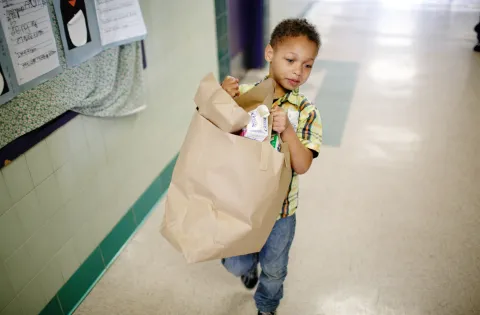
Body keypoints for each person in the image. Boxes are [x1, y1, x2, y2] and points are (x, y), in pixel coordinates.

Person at [220, 18, 322, 315]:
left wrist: (288, 132)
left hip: (281, 213)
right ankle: (246, 267)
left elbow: (302, 165)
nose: (298, 71)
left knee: (275, 270)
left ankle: (266, 306)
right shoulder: (246, 96)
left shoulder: (306, 111)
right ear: (269, 54)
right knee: (236, 261)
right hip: (243, 205)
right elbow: (219, 136)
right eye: (291, 60)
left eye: (307, 65)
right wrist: (222, 100)